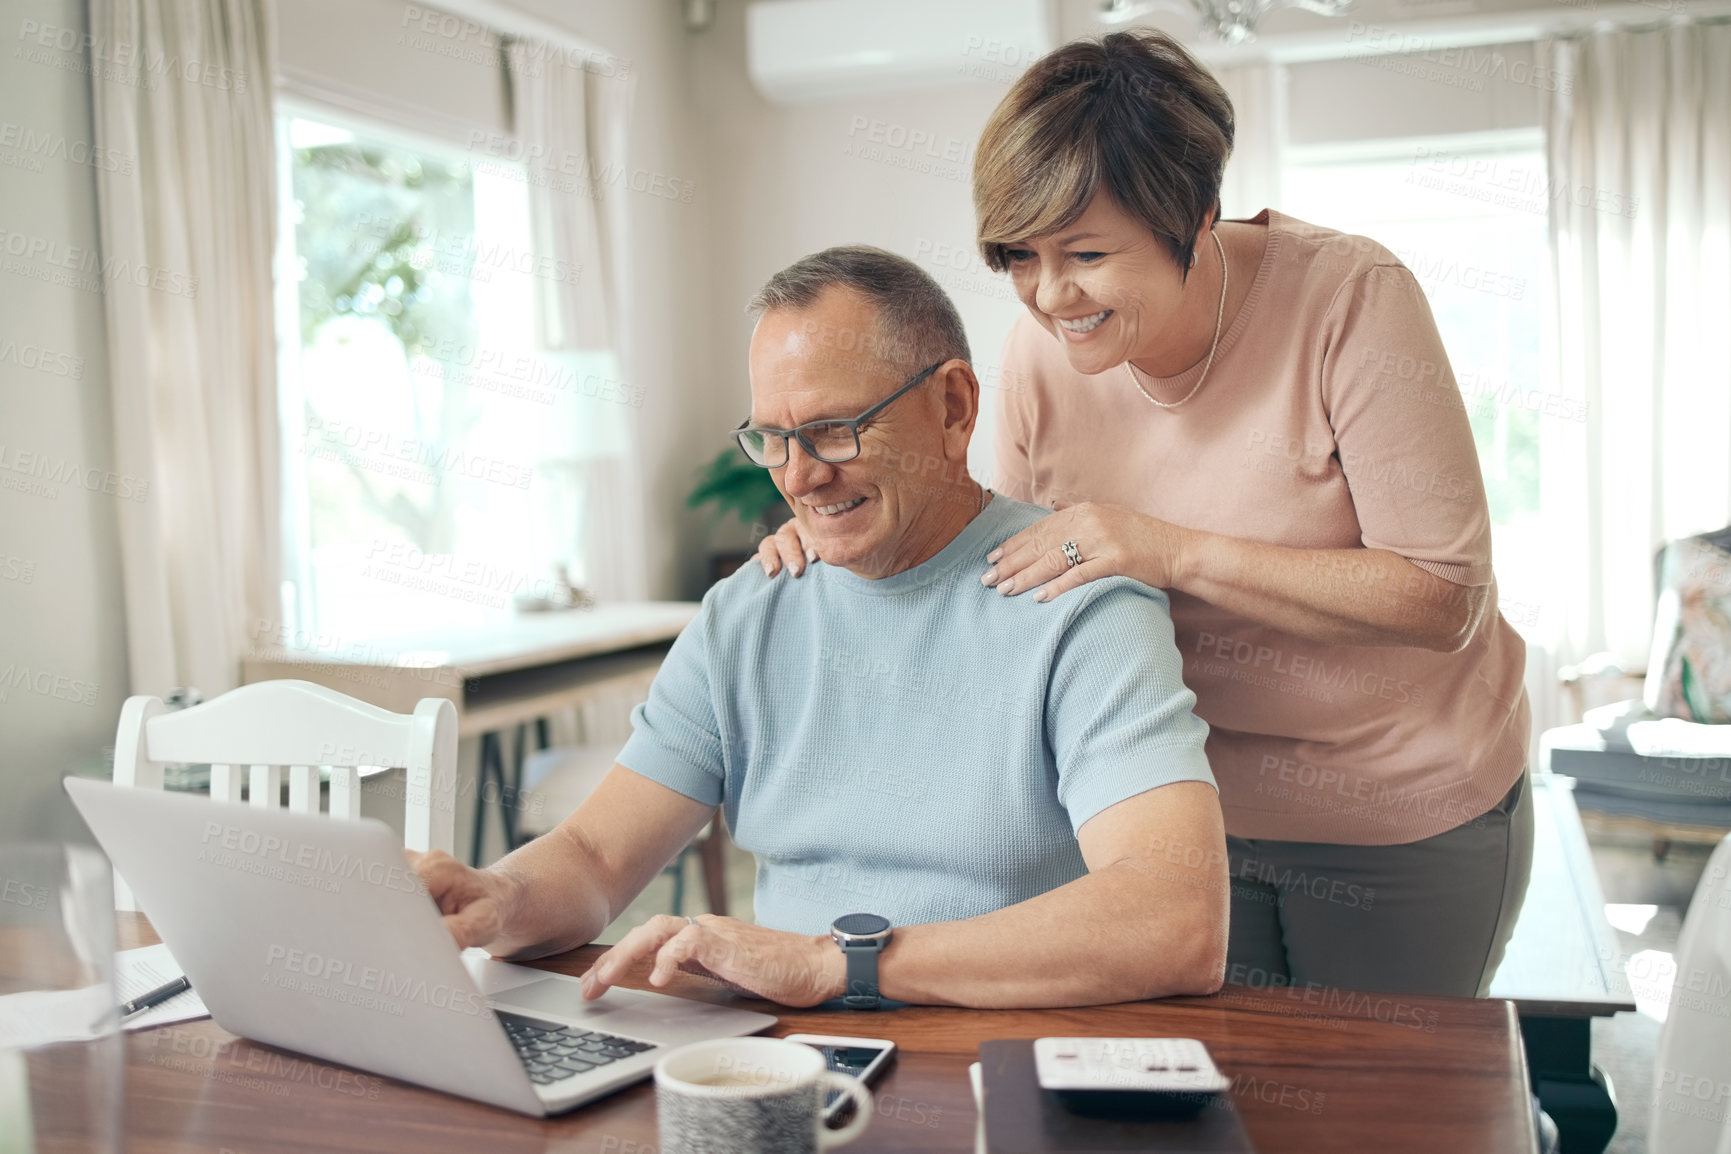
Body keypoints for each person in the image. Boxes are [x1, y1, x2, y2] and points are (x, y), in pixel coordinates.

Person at [758, 33, 1533, 1000]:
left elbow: (1442, 598)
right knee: (1228, 1113)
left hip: (1394, 808)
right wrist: (842, 536)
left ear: (1194, 216)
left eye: (1085, 254)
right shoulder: (1043, 355)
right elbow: (1002, 560)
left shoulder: (1349, 301)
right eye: (1021, 259)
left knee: (1374, 1113)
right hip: (1173, 816)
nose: (1049, 296)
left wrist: (1167, 550)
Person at [410, 246, 1227, 1009]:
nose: (800, 477)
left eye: (836, 430)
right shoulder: (749, 610)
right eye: (775, 439)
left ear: (952, 407)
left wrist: (837, 964)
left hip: (993, 1050)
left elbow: (1175, 916)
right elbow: (597, 856)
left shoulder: (1079, 603)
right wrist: (499, 901)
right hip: (777, 1054)